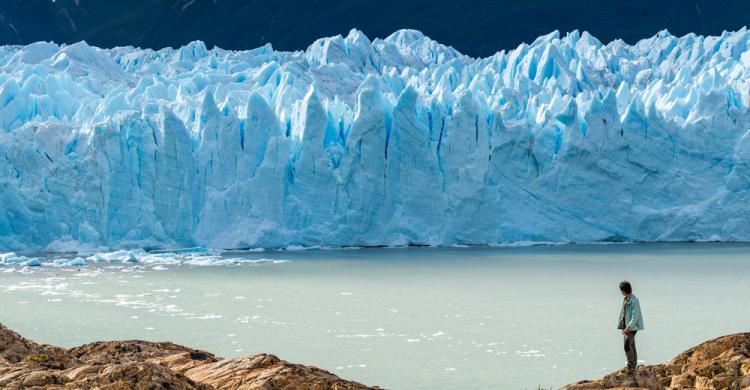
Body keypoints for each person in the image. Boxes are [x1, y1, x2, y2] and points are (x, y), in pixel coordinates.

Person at [617, 280, 643, 375]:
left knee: (627, 345)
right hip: (627, 327)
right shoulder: (626, 299)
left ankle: (631, 366)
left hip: (632, 327)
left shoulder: (633, 300)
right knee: (631, 345)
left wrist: (628, 327)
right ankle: (633, 365)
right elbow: (624, 314)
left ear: (623, 290)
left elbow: (635, 316)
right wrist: (623, 327)